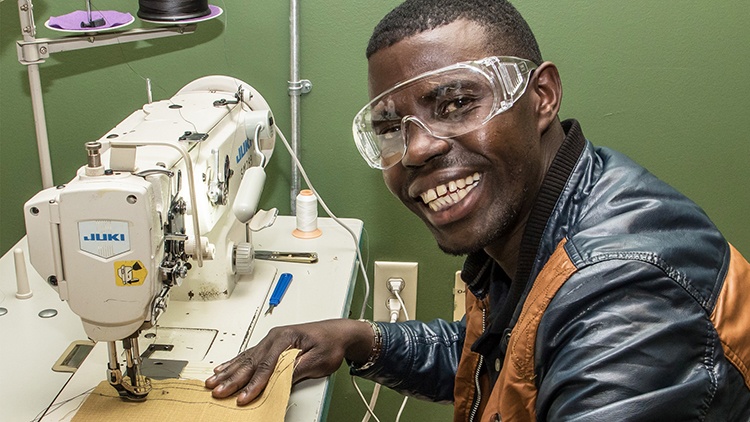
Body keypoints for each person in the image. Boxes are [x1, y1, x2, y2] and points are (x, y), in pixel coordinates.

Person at [206, 0, 750, 420]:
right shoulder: (551, 221)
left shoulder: (627, 298)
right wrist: (359, 338)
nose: (416, 149)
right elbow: (510, 361)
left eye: (457, 103)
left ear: (541, 96)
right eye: (390, 127)